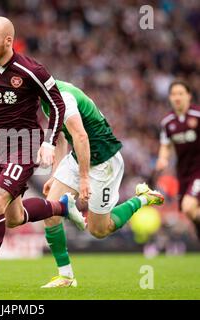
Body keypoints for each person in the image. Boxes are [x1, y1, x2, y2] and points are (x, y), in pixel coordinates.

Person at [0, 16, 75, 291]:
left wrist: (49, 141)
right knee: (13, 217)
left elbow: (57, 105)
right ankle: (62, 207)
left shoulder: (31, 70)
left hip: (26, 145)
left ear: (8, 41)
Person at [31, 80, 165, 288]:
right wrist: (55, 174)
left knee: (99, 230)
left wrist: (84, 178)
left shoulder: (64, 98)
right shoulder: (48, 100)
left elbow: (81, 136)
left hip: (104, 161)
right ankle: (66, 276)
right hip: (80, 156)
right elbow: (61, 138)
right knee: (50, 212)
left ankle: (142, 198)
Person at [156, 80, 200, 240]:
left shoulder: (197, 115)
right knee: (191, 212)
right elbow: (165, 145)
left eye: (181, 93)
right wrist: (162, 159)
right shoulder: (168, 122)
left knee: (188, 207)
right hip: (183, 173)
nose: (177, 97)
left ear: (189, 96)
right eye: (174, 94)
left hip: (198, 170)